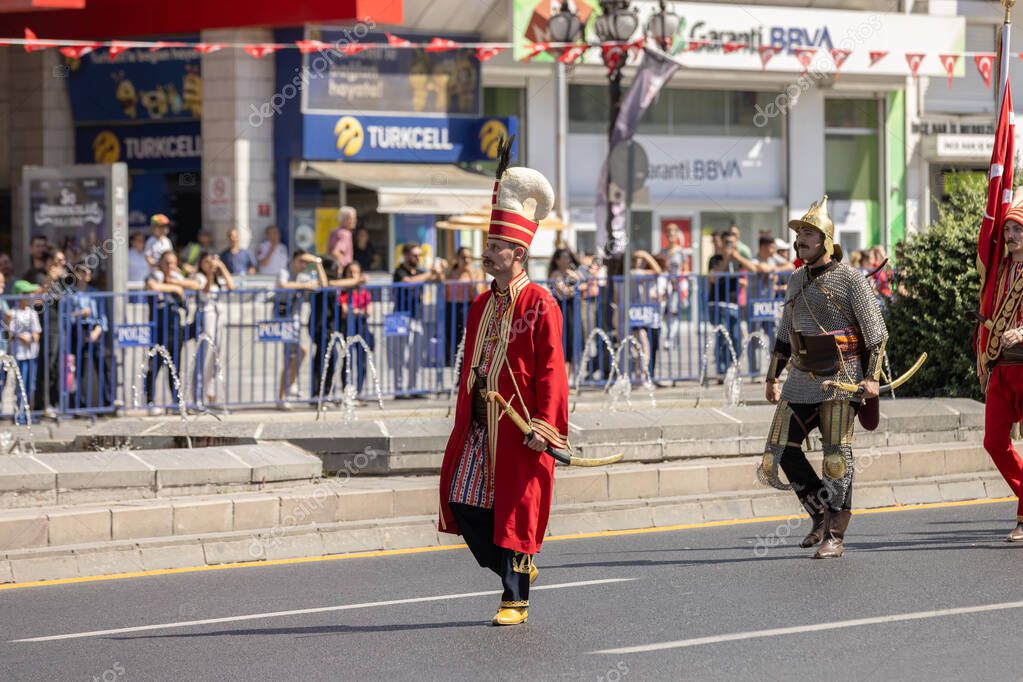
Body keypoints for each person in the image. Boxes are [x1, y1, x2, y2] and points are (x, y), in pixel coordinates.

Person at [438, 159, 568, 626]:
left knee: (515, 508)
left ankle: (515, 598)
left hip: (519, 425)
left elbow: (552, 370)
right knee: (460, 498)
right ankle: (516, 567)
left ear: (518, 252)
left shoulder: (540, 302)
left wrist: (545, 426)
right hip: (478, 423)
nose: (486, 253)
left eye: (495, 247)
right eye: (487, 245)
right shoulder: (478, 304)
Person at [760, 195, 888, 559]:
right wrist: (772, 378)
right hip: (801, 379)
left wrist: (873, 378)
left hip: (841, 377)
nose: (800, 240)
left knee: (836, 456)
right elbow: (786, 333)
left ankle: (835, 533)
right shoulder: (795, 278)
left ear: (826, 242)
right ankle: (818, 512)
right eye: (799, 234)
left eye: (808, 235)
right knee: (781, 452)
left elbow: (876, 333)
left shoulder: (851, 280)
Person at [976, 198, 1023, 542]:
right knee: (994, 442)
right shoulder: (1000, 269)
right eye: (1007, 228)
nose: (1009, 234)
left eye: (1017, 229)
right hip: (1000, 367)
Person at [144, 251, 202, 415]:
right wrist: (175, 288)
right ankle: (150, 401)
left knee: (175, 369)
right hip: (158, 330)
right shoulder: (155, 276)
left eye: (173, 263)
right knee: (154, 367)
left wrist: (178, 281)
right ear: (160, 263)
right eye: (167, 263)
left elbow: (197, 285)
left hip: (175, 329)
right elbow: (153, 286)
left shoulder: (177, 278)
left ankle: (176, 403)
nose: (170, 266)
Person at [390, 243, 445, 396]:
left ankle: (413, 388)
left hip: (416, 316)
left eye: (419, 255)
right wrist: (429, 274)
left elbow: (437, 279)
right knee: (399, 356)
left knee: (416, 355)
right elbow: (408, 282)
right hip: (399, 316)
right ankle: (399, 390)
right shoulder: (399, 271)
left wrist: (439, 269)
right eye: (415, 255)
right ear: (406, 255)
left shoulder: (420, 271)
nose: (418, 258)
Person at [276, 250, 327, 408]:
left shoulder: (303, 276)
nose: (303, 265)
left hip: (296, 322)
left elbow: (323, 285)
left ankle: (288, 387)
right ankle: (283, 396)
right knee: (289, 357)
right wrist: (305, 285)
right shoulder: (284, 272)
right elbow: (284, 285)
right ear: (293, 261)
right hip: (283, 321)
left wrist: (317, 262)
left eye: (306, 262)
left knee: (299, 353)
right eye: (301, 261)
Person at [707, 230, 755, 382]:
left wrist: (736, 257)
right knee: (722, 338)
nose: (730, 245)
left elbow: (752, 269)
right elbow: (714, 278)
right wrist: (726, 259)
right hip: (719, 302)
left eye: (733, 243)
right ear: (721, 242)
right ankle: (722, 372)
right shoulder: (715, 259)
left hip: (734, 304)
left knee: (735, 337)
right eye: (727, 242)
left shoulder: (738, 259)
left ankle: (734, 369)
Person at [190, 252, 235, 407]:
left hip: (219, 317)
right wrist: (209, 273)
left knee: (215, 357)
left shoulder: (218, 279)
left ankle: (210, 393)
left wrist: (221, 266)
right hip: (206, 316)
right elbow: (205, 291)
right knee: (204, 356)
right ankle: (198, 396)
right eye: (206, 262)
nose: (210, 264)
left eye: (212, 261)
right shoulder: (200, 277)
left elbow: (231, 285)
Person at [68, 263, 113, 411]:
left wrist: (96, 331)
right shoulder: (70, 294)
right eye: (81, 271)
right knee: (78, 368)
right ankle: (78, 404)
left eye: (88, 271)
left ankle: (108, 402)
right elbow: (66, 316)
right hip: (78, 329)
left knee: (102, 365)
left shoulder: (95, 292)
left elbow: (102, 316)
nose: (85, 274)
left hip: (94, 330)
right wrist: (80, 313)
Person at [628, 250, 667, 381]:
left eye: (642, 260)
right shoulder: (633, 273)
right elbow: (658, 271)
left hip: (642, 314)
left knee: (644, 344)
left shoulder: (639, 273)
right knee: (641, 344)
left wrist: (645, 256)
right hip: (635, 314)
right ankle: (641, 373)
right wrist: (646, 255)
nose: (641, 262)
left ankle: (644, 373)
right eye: (638, 259)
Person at [338, 261, 374, 396]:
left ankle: (359, 391)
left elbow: (369, 311)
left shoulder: (363, 291)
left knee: (362, 361)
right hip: (347, 327)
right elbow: (345, 311)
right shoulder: (343, 292)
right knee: (347, 359)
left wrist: (356, 311)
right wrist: (359, 310)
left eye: (356, 272)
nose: (353, 276)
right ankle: (346, 390)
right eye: (350, 273)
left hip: (362, 326)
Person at [445, 246, 485, 367]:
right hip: (452, 307)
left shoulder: (477, 273)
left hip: (468, 306)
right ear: (457, 258)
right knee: (453, 338)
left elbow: (478, 294)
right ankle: (455, 365)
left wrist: (470, 275)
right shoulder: (451, 273)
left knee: (469, 338)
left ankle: (468, 364)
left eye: (469, 257)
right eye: (463, 257)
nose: (466, 260)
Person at [9, 281, 42, 424]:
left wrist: (34, 337)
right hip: (20, 354)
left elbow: (37, 331)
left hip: (32, 354)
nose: (30, 296)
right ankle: (20, 415)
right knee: (20, 385)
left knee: (30, 385)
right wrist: (20, 336)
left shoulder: (32, 313)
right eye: (26, 294)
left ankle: (28, 414)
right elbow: (10, 332)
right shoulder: (13, 313)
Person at [547, 248, 581, 378]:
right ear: (557, 260)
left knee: (572, 343)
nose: (567, 260)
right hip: (561, 309)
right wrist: (573, 288)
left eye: (568, 257)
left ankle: (569, 378)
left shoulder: (570, 273)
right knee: (563, 342)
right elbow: (563, 293)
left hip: (572, 309)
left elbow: (579, 282)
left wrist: (572, 284)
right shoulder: (556, 274)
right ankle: (563, 378)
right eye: (564, 257)